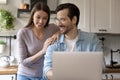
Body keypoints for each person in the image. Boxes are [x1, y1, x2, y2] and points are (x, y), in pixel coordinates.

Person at [43, 3, 103, 80]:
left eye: (63, 19)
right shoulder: (54, 42)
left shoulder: (92, 39)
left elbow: (101, 66)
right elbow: (47, 69)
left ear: (74, 20)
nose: (59, 24)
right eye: (57, 20)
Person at [16, 2, 59, 80]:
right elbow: (23, 62)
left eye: (45, 18)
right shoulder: (23, 32)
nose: (41, 21)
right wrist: (43, 51)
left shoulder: (52, 28)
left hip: (44, 76)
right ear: (32, 16)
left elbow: (64, 29)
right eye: (38, 17)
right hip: (25, 76)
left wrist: (57, 33)